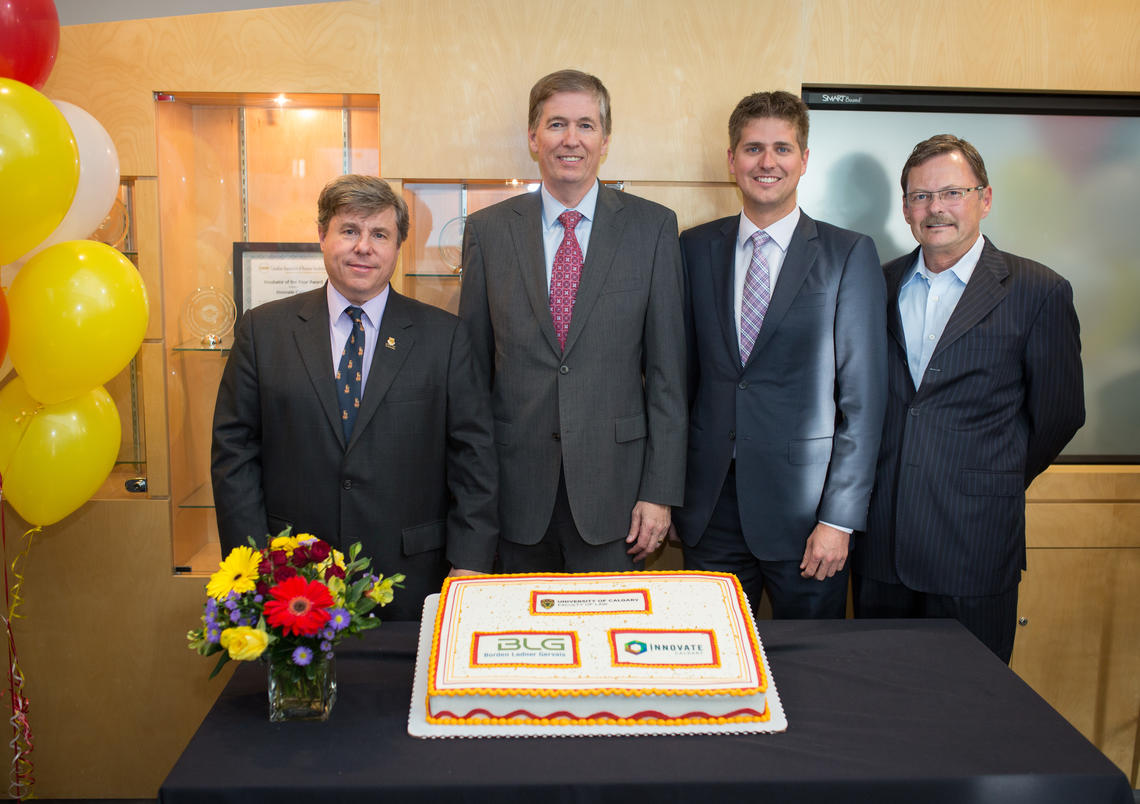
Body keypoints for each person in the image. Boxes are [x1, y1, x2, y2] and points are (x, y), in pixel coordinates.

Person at [212, 175, 498, 621]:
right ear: (322, 236)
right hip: (291, 578)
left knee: (402, 693)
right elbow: (234, 454)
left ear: (397, 246)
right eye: (349, 230)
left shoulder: (445, 338)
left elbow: (474, 460)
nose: (364, 247)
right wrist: (251, 567)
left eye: (379, 234)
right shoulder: (263, 331)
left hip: (412, 579)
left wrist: (471, 563)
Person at [853, 135, 1084, 662]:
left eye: (952, 192)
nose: (935, 208)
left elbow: (1061, 414)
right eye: (919, 196)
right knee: (880, 701)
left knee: (971, 713)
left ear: (985, 198)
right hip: (882, 545)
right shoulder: (876, 284)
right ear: (906, 207)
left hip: (974, 544)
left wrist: (991, 474)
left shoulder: (1038, 290)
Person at [458, 69, 686, 572]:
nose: (571, 139)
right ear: (533, 137)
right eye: (556, 123)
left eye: (585, 125)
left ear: (605, 139)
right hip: (513, 496)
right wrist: (473, 503)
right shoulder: (488, 232)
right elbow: (470, 378)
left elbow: (669, 376)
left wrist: (660, 492)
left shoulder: (652, 228)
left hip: (618, 497)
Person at [674, 91, 887, 619]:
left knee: (812, 673)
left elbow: (862, 400)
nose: (767, 163)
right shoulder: (693, 248)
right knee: (708, 668)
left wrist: (838, 520)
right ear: (731, 161)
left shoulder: (848, 254)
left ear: (804, 160)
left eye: (782, 149)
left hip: (807, 518)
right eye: (752, 149)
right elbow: (676, 382)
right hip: (710, 512)